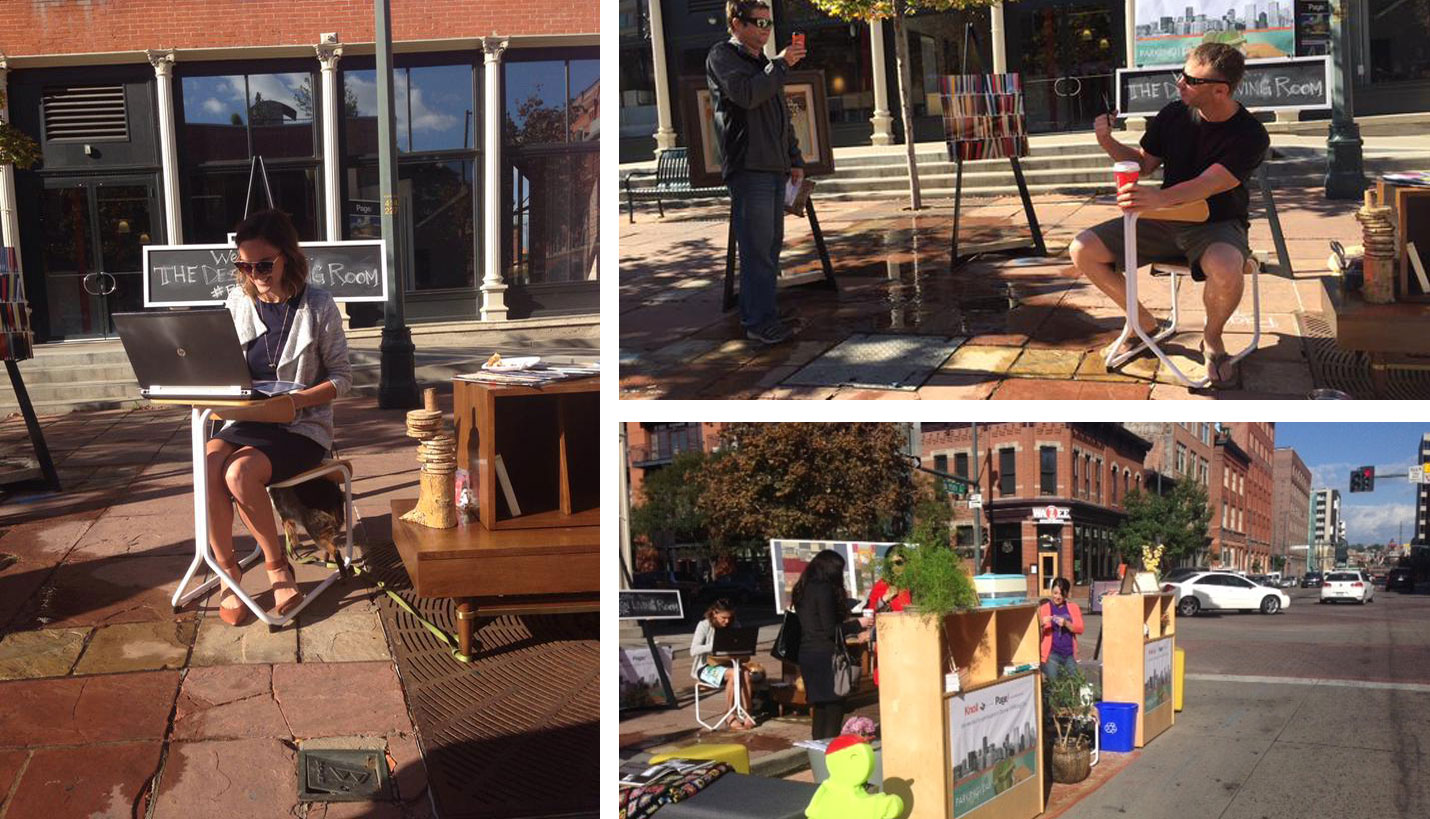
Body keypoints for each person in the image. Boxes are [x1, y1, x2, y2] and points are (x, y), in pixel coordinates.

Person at [1069, 42, 1270, 388]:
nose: (1180, 83)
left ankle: (1213, 339)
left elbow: (1207, 185)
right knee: (1082, 248)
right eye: (1182, 73)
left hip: (1216, 223)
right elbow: (1144, 164)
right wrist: (1106, 141)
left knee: (1225, 267)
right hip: (1162, 219)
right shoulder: (1174, 114)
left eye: (1191, 80)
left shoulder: (1250, 134)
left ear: (1220, 90)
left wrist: (1158, 198)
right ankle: (1142, 322)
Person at [205, 209, 352, 626]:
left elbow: (343, 378)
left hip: (299, 425)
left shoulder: (318, 305)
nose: (256, 274)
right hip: (248, 418)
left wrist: (298, 401)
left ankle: (277, 568)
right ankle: (228, 571)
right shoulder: (237, 302)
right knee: (210, 461)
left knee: (238, 474)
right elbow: (222, 364)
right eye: (245, 265)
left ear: (288, 256)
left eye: (264, 264)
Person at [706, 0, 806, 346]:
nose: (765, 29)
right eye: (758, 22)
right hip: (749, 167)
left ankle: (763, 316)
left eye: (768, 22)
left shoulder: (765, 63)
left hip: (773, 166)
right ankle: (758, 322)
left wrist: (794, 157)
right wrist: (779, 64)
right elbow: (747, 95)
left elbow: (780, 114)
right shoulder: (722, 56)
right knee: (757, 249)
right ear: (736, 23)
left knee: (770, 247)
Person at [793, 549, 872, 740]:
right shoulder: (824, 589)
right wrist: (858, 624)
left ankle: (818, 755)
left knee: (819, 709)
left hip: (807, 654)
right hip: (826, 656)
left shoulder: (802, 588)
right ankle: (830, 754)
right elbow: (830, 630)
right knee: (834, 707)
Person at [690, 598, 755, 730]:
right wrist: (714, 646)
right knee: (735, 674)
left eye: (729, 618)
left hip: (729, 664)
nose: (727, 622)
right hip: (705, 667)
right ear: (714, 613)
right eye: (723, 618)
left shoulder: (734, 624)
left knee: (746, 673)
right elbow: (693, 650)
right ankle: (730, 714)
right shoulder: (704, 625)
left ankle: (748, 712)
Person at [864, 545, 911, 687]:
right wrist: (884, 599)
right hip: (889, 642)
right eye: (891, 563)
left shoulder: (913, 584)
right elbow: (869, 613)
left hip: (911, 641)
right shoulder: (882, 584)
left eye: (899, 563)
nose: (895, 567)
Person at [1040, 577, 1085, 682]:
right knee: (1055, 684)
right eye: (1055, 593)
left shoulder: (1073, 607)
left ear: (1066, 594)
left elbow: (1080, 629)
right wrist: (1042, 623)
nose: (1058, 597)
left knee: (1075, 683)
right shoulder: (1045, 608)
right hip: (1052, 654)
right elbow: (1036, 632)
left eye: (1061, 594)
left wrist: (1066, 623)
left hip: (1069, 654)